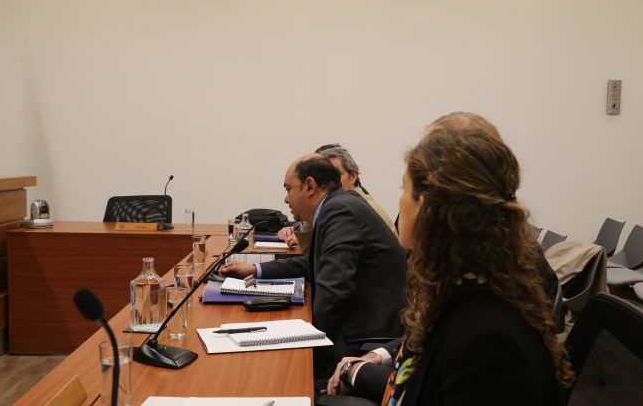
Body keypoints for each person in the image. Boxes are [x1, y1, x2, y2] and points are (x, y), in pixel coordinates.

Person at [329, 121, 573, 404]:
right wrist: (367, 364)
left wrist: (355, 372)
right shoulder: (460, 288)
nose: (401, 202)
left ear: (430, 207)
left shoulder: (488, 339)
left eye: (404, 189)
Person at [220, 154, 407, 379]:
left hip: (364, 340)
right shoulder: (338, 205)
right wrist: (255, 270)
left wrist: (304, 338)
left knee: (276, 371)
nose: (285, 199)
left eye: (288, 189)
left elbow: (334, 292)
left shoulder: (339, 210)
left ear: (309, 186)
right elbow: (317, 264)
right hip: (361, 328)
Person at [278, 144, 396, 249]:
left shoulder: (347, 210)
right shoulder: (342, 203)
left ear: (353, 177)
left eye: (337, 174)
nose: (327, 180)